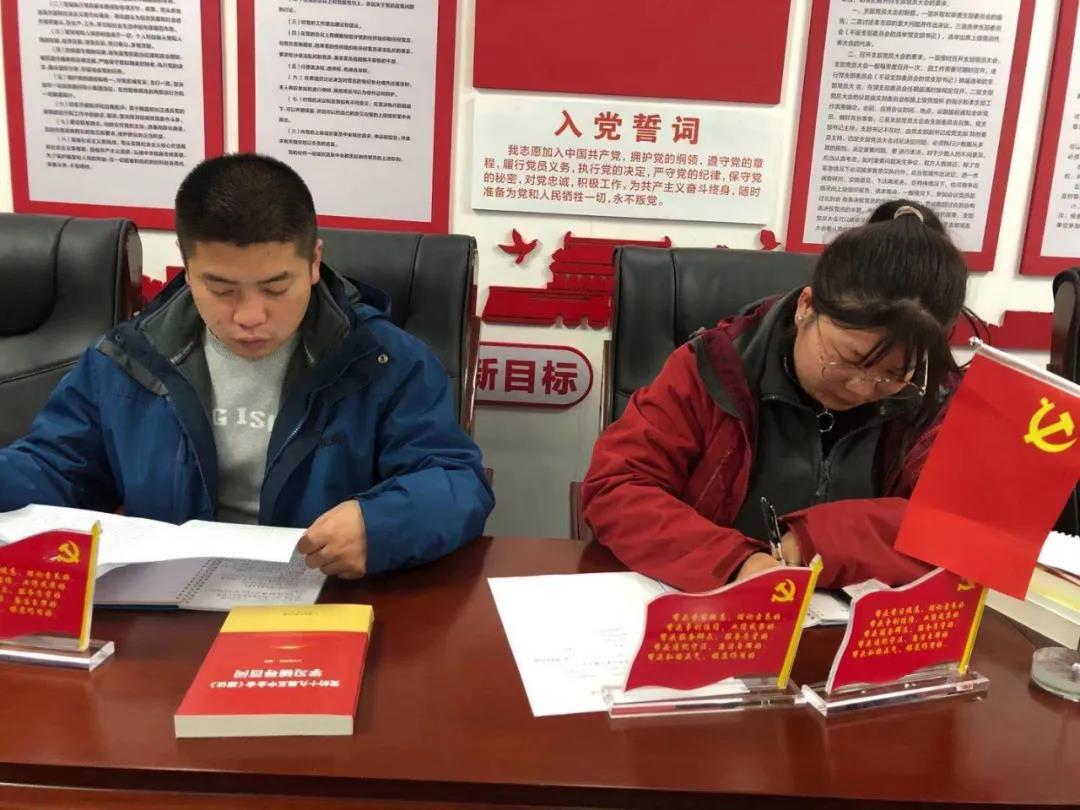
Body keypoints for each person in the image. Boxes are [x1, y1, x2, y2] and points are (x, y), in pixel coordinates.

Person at [0, 153, 494, 577]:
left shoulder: (383, 360)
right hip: (166, 605)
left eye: (276, 288)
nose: (250, 317)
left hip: (325, 599)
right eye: (221, 289)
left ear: (314, 261)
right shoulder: (129, 360)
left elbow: (455, 480)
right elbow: (57, 468)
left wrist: (381, 526)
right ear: (186, 267)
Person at [581, 200, 972, 591]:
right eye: (846, 360)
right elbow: (617, 487)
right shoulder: (716, 369)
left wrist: (816, 542)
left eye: (893, 373)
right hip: (720, 598)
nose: (862, 387)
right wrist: (736, 562)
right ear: (806, 307)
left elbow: (966, 526)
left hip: (857, 614)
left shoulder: (937, 400)